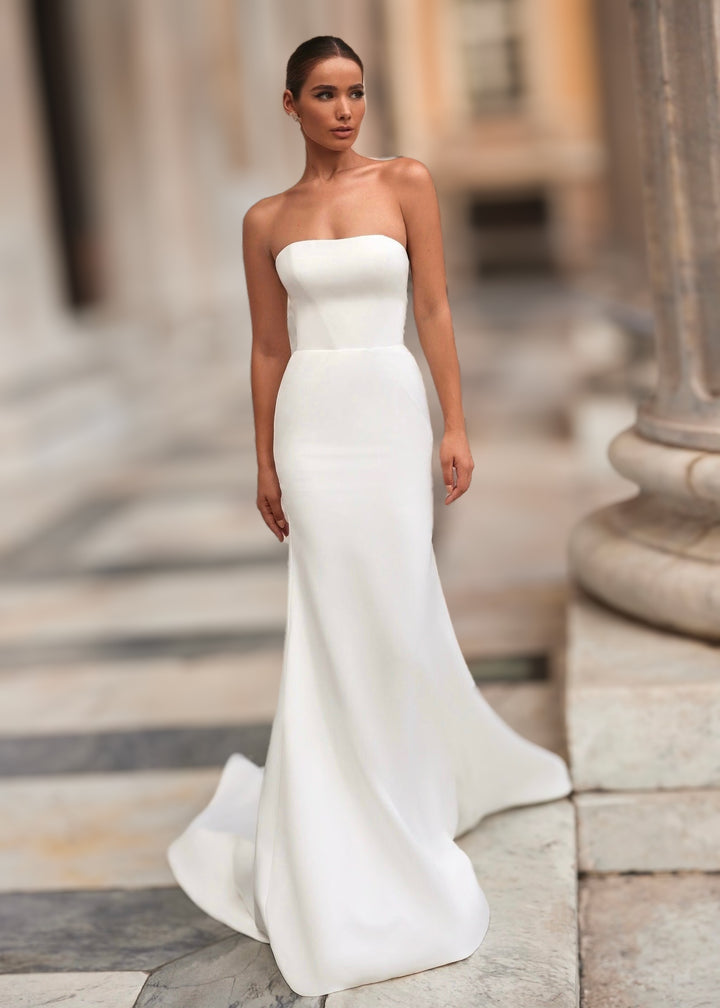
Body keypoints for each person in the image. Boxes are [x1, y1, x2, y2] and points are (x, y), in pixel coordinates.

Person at [167, 34, 573, 998]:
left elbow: (432, 308)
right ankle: (341, 813)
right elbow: (269, 347)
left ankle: (409, 787)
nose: (345, 110)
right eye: (324, 94)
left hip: (390, 418)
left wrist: (455, 424)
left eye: (355, 92)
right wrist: (264, 456)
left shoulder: (409, 183)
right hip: (314, 428)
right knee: (330, 611)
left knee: (392, 606)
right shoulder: (265, 217)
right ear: (289, 104)